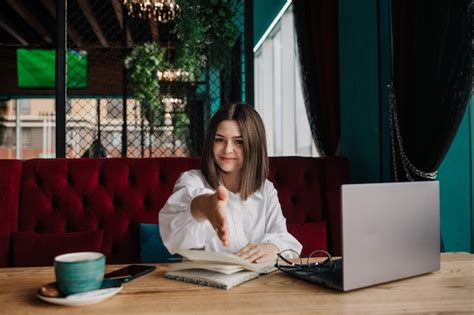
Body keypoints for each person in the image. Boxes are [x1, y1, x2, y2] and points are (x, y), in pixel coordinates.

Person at [159, 103, 302, 263]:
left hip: (256, 283)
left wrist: (273, 248)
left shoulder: (266, 189)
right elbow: (174, 230)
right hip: (205, 284)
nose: (227, 149)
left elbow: (283, 238)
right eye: (219, 140)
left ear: (253, 146)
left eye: (238, 142)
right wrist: (205, 206)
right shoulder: (191, 180)